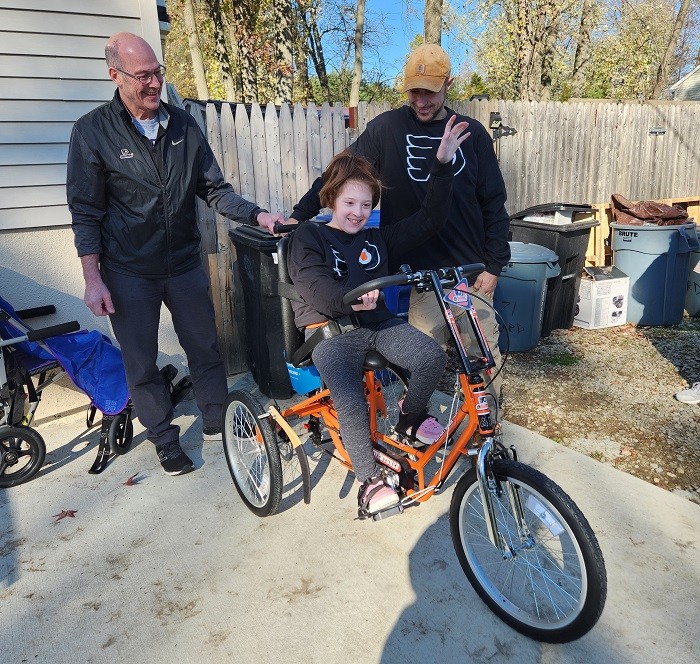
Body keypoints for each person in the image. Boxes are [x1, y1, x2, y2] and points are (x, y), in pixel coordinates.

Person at [66, 32, 284, 476]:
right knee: (141, 361)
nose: (154, 83)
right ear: (116, 75)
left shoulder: (183, 126)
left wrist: (258, 215)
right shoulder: (92, 132)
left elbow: (214, 190)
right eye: (143, 75)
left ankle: (216, 420)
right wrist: (93, 279)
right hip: (128, 271)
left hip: (183, 264)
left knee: (205, 346)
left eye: (158, 72)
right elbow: (86, 213)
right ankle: (164, 438)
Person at [289, 43, 511, 416]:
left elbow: (494, 203)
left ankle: (487, 436)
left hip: (469, 274)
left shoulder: (472, 135)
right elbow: (340, 174)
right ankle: (417, 426)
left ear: (448, 85)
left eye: (430, 91)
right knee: (419, 360)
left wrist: (494, 265)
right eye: (414, 91)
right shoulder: (386, 129)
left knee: (484, 356)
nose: (421, 100)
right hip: (419, 277)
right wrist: (300, 214)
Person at [287, 116, 470, 517]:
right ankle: (370, 481)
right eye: (350, 203)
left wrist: (441, 166)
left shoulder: (377, 237)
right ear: (332, 199)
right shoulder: (309, 236)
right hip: (331, 332)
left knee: (430, 357)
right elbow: (316, 289)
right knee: (351, 403)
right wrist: (351, 301)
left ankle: (409, 415)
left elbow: (431, 220)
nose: (357, 213)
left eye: (366, 205)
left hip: (379, 324)